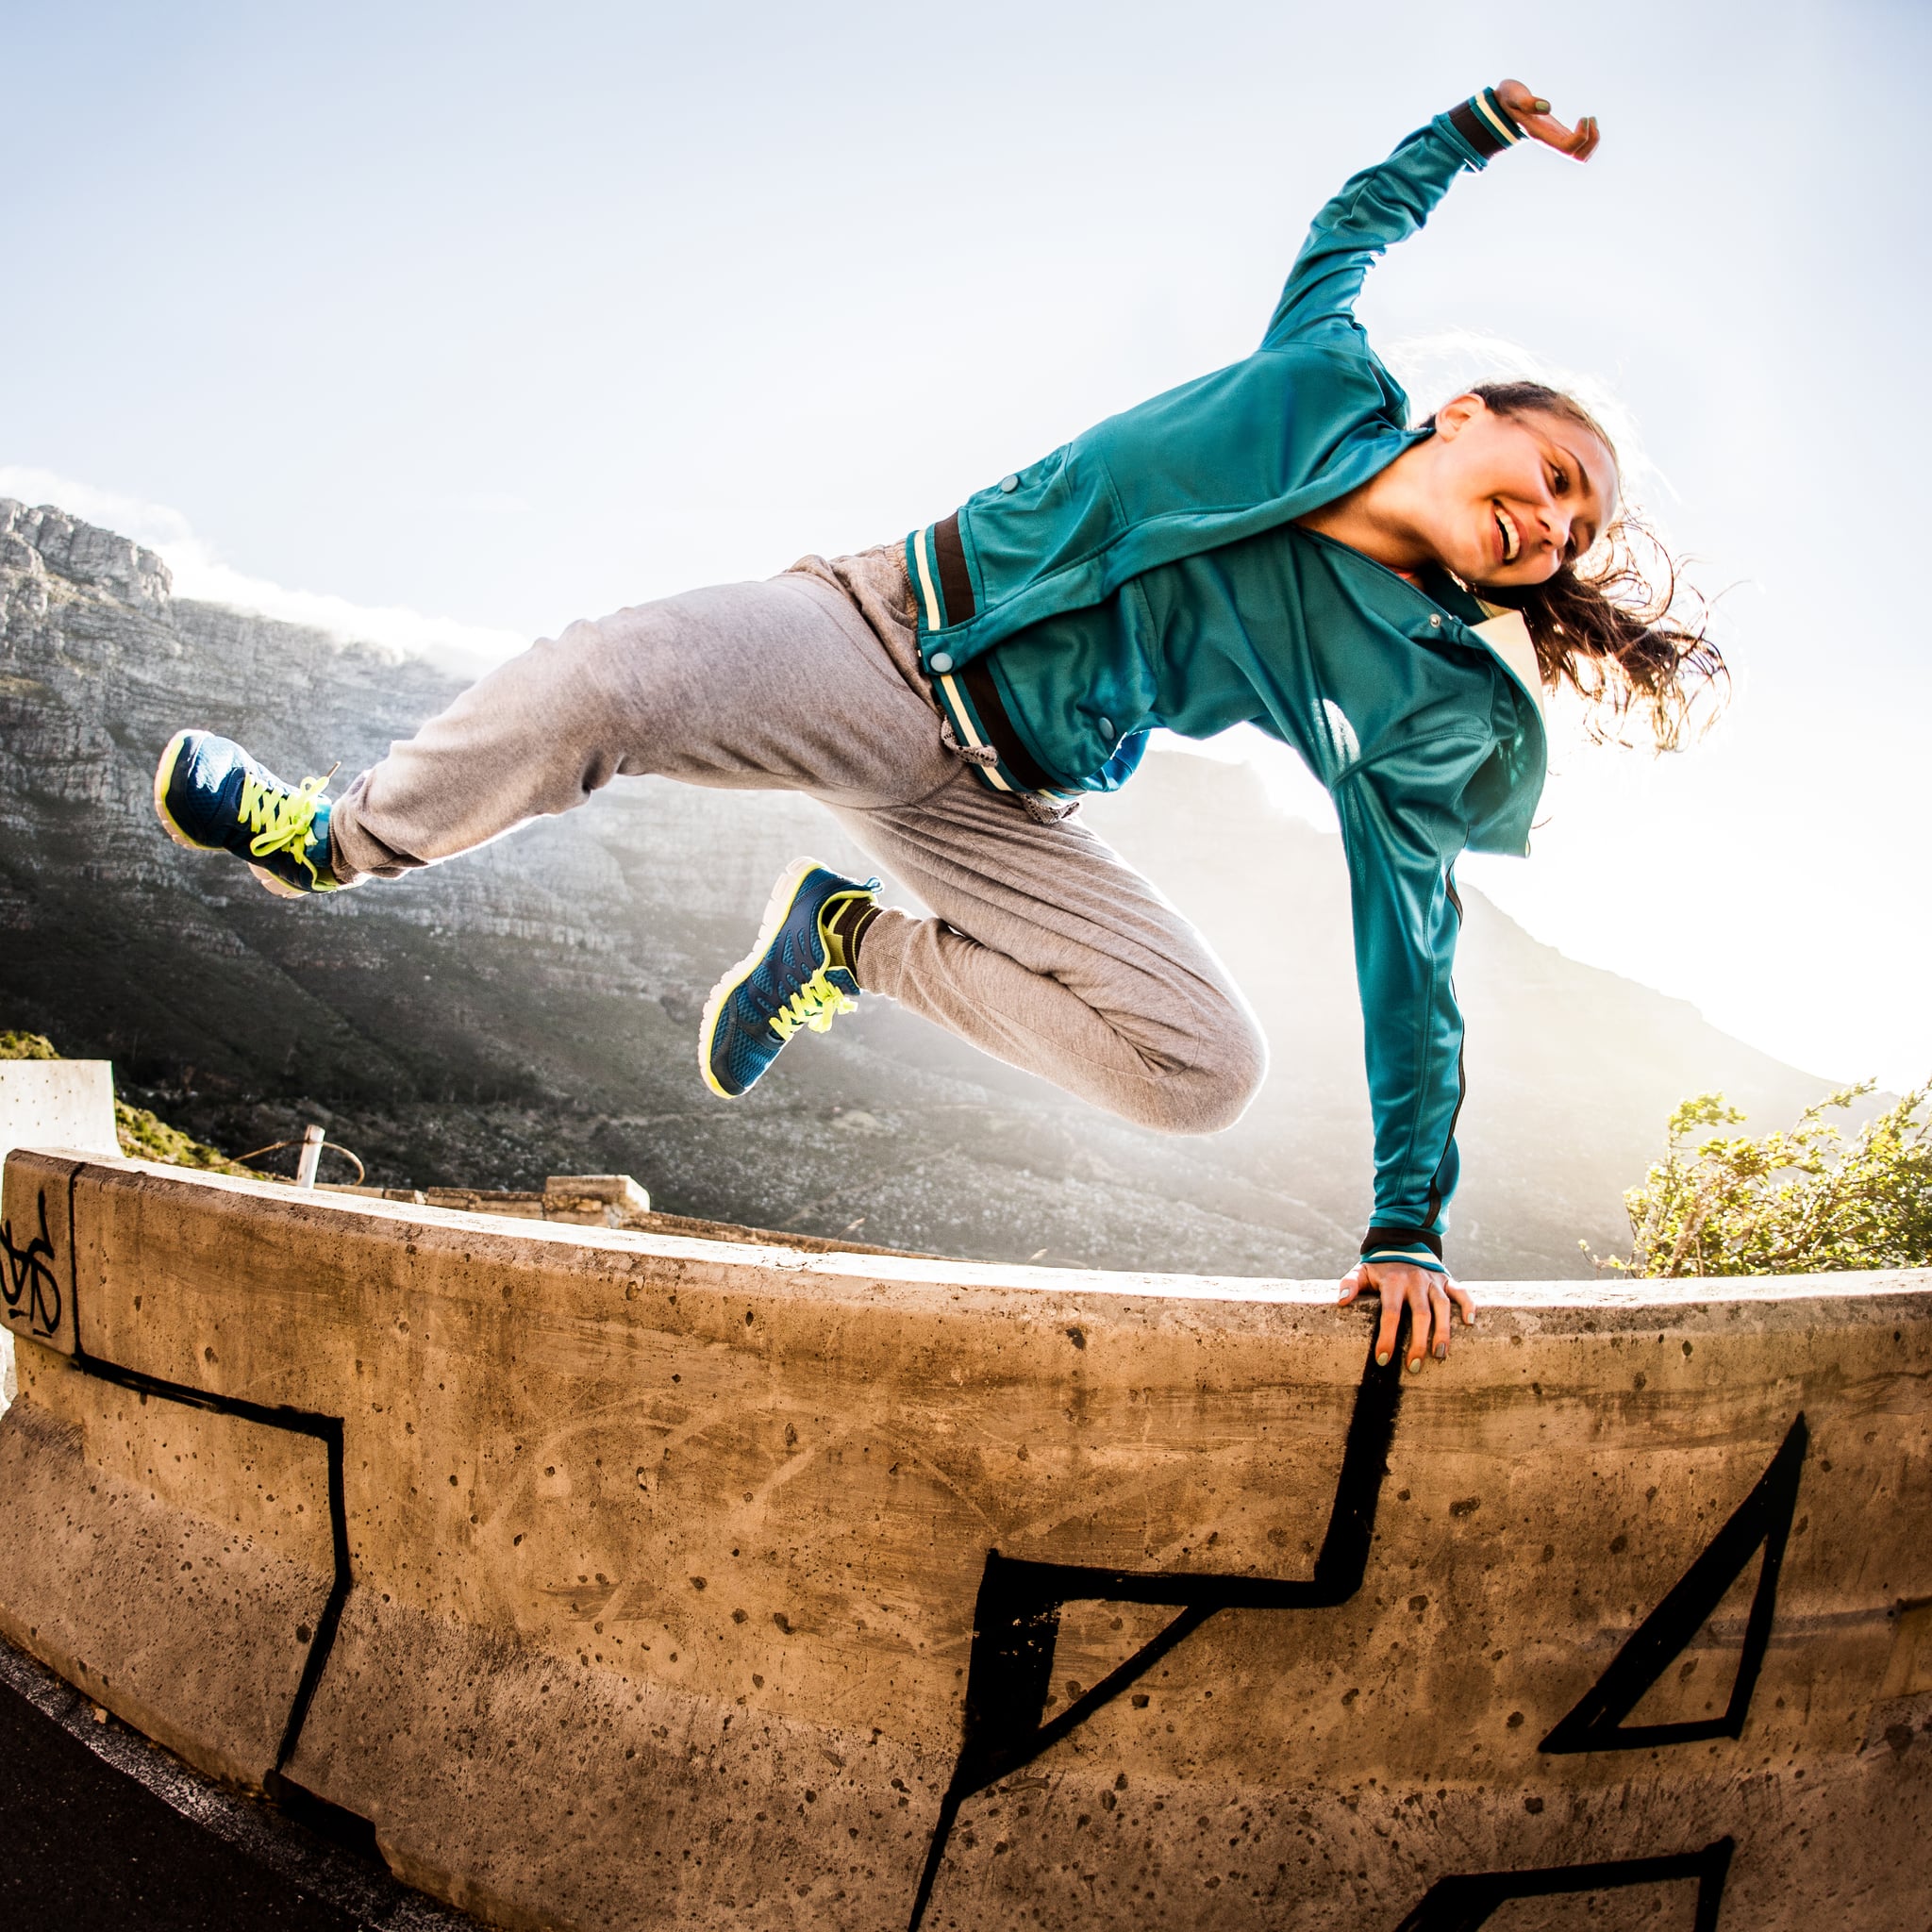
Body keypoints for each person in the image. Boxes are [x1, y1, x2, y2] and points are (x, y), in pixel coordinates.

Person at [152, 79, 1719, 1374]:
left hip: (996, 799)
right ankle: (334, 837)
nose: (1556, 527)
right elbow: (1352, 226)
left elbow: (1412, 942)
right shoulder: (1321, 372)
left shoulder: (1414, 683)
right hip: (875, 635)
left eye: (1579, 535)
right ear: (1470, 416)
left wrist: (1405, 1226)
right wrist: (1478, 129)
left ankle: (846, 943)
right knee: (612, 677)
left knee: (1201, 1069)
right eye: (1560, 476)